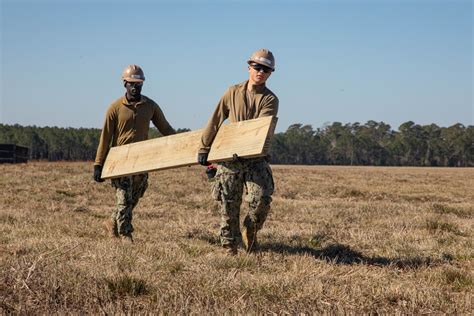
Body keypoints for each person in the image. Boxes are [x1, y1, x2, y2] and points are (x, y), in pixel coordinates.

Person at [197, 49, 279, 255]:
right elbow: (215, 119)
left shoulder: (270, 99)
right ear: (249, 67)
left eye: (266, 69)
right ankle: (229, 248)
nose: (261, 71)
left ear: (270, 73)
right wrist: (204, 147)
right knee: (228, 204)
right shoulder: (232, 92)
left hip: (255, 157)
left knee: (262, 198)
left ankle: (250, 229)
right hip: (229, 157)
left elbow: (257, 130)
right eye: (257, 67)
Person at [94, 65, 175, 242]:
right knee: (123, 198)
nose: (134, 87)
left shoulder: (150, 106)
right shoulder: (115, 108)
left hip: (142, 161)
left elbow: (166, 128)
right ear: (124, 83)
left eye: (138, 84)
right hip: (120, 162)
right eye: (131, 83)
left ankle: (112, 222)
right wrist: (98, 164)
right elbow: (105, 137)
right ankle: (125, 234)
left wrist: (182, 145)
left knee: (133, 198)